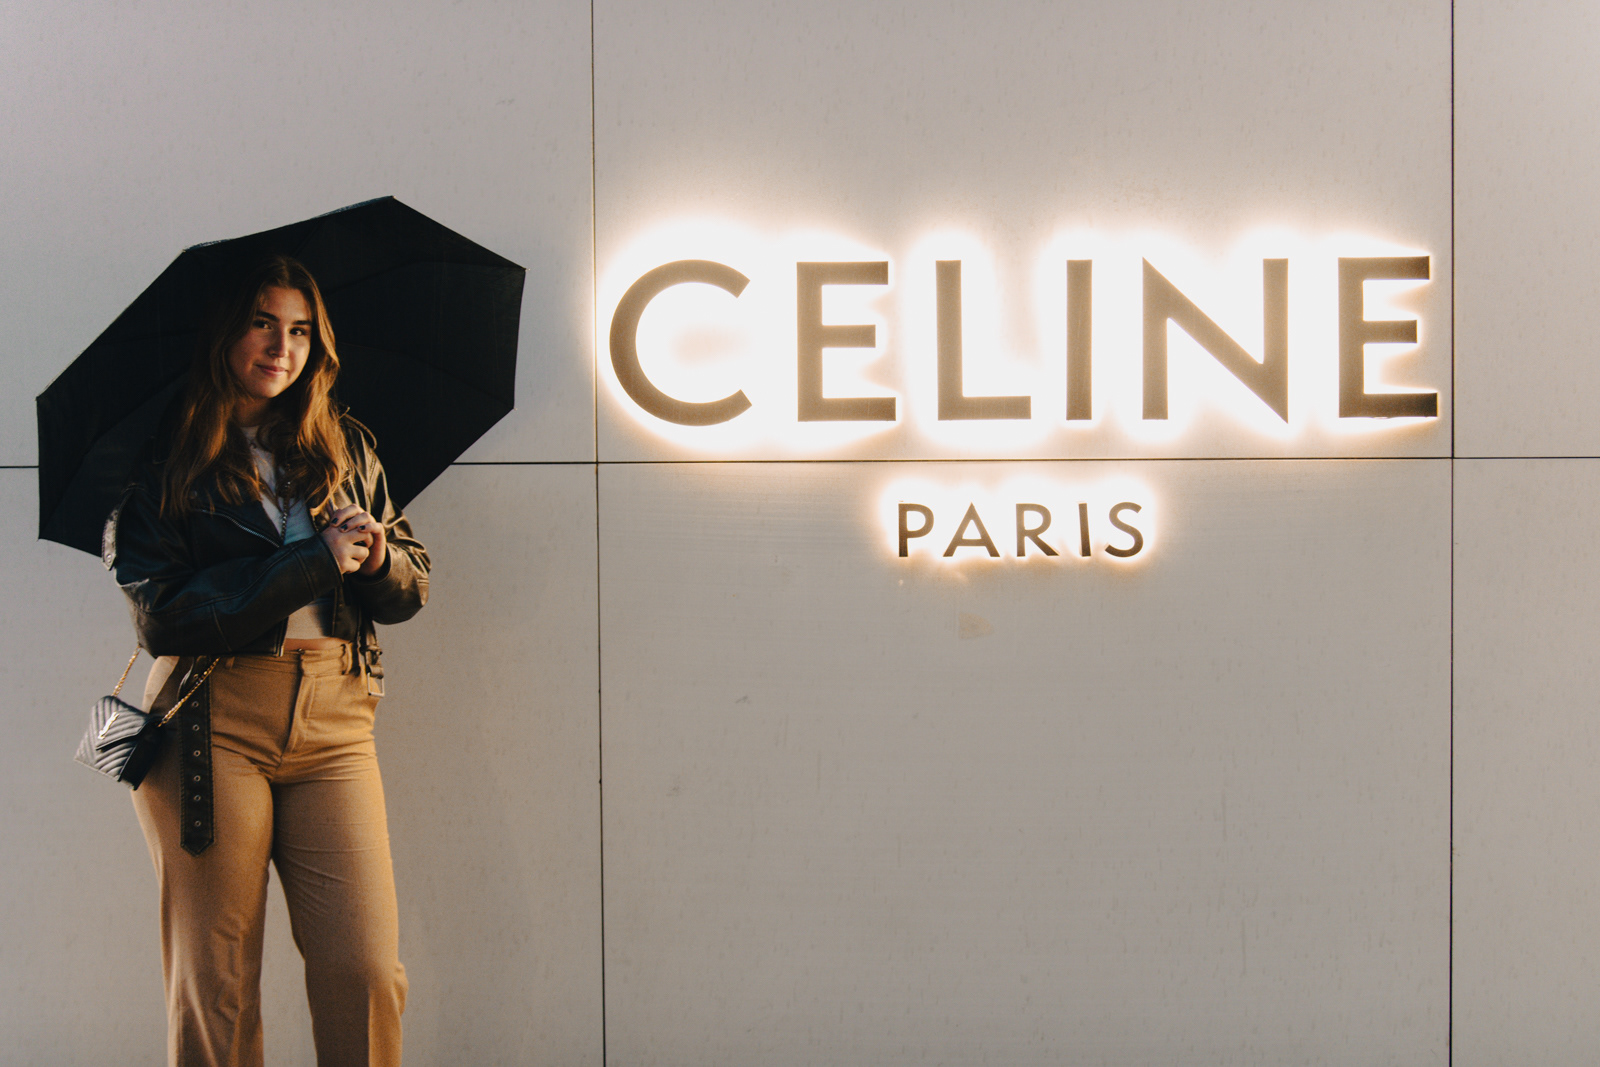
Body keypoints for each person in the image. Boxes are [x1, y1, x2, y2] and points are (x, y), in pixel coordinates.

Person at [104, 254, 429, 1067]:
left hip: (337, 721)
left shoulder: (343, 444)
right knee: (217, 985)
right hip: (209, 724)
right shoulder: (167, 455)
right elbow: (163, 613)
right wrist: (313, 561)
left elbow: (411, 583)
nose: (282, 347)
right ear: (225, 332)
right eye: (261, 323)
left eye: (300, 330)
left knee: (364, 968)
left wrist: (379, 557)